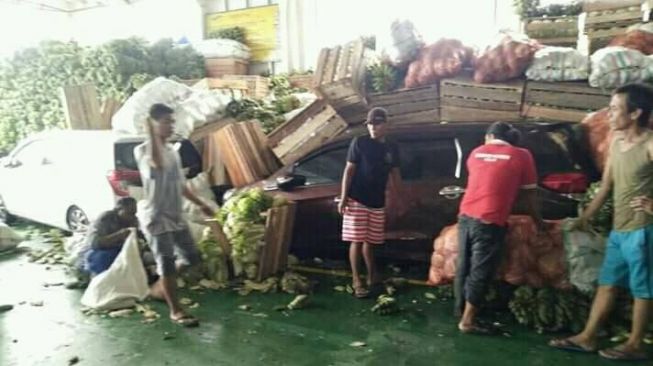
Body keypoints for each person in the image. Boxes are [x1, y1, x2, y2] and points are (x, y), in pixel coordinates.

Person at [550, 83, 653, 361]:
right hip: (619, 230)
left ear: (635, 113)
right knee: (607, 283)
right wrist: (585, 218)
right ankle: (587, 336)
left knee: (642, 289)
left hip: (643, 229)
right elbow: (606, 184)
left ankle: (634, 344)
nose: (609, 114)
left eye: (616, 108)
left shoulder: (650, 144)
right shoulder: (617, 143)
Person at [455, 121, 545, 334]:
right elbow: (529, 196)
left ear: (488, 137)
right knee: (481, 270)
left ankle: (460, 310)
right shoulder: (522, 155)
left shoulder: (476, 152)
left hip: (466, 215)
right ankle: (468, 321)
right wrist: (539, 222)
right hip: (490, 218)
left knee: (464, 265)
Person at [134, 103, 215, 327]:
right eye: (166, 122)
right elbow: (156, 163)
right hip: (156, 217)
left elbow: (180, 184)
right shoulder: (143, 151)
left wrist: (201, 204)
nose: (171, 126)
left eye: (172, 121)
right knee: (167, 264)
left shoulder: (172, 151)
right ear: (153, 124)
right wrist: (150, 128)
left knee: (191, 258)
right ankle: (175, 310)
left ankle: (160, 287)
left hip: (175, 215)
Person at [338, 107, 402, 298]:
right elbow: (348, 171)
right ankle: (357, 280)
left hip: (378, 200)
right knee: (356, 241)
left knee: (371, 241)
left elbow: (395, 174)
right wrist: (343, 197)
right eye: (370, 124)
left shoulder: (392, 147)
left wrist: (399, 198)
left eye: (377, 123)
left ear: (386, 125)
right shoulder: (359, 142)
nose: (373, 128)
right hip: (357, 198)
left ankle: (372, 275)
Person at [84, 197, 139, 276]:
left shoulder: (133, 220)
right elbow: (95, 243)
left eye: (134, 213)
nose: (132, 217)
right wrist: (119, 235)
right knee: (102, 259)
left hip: (119, 251)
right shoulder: (106, 218)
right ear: (119, 209)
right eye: (129, 213)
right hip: (100, 252)